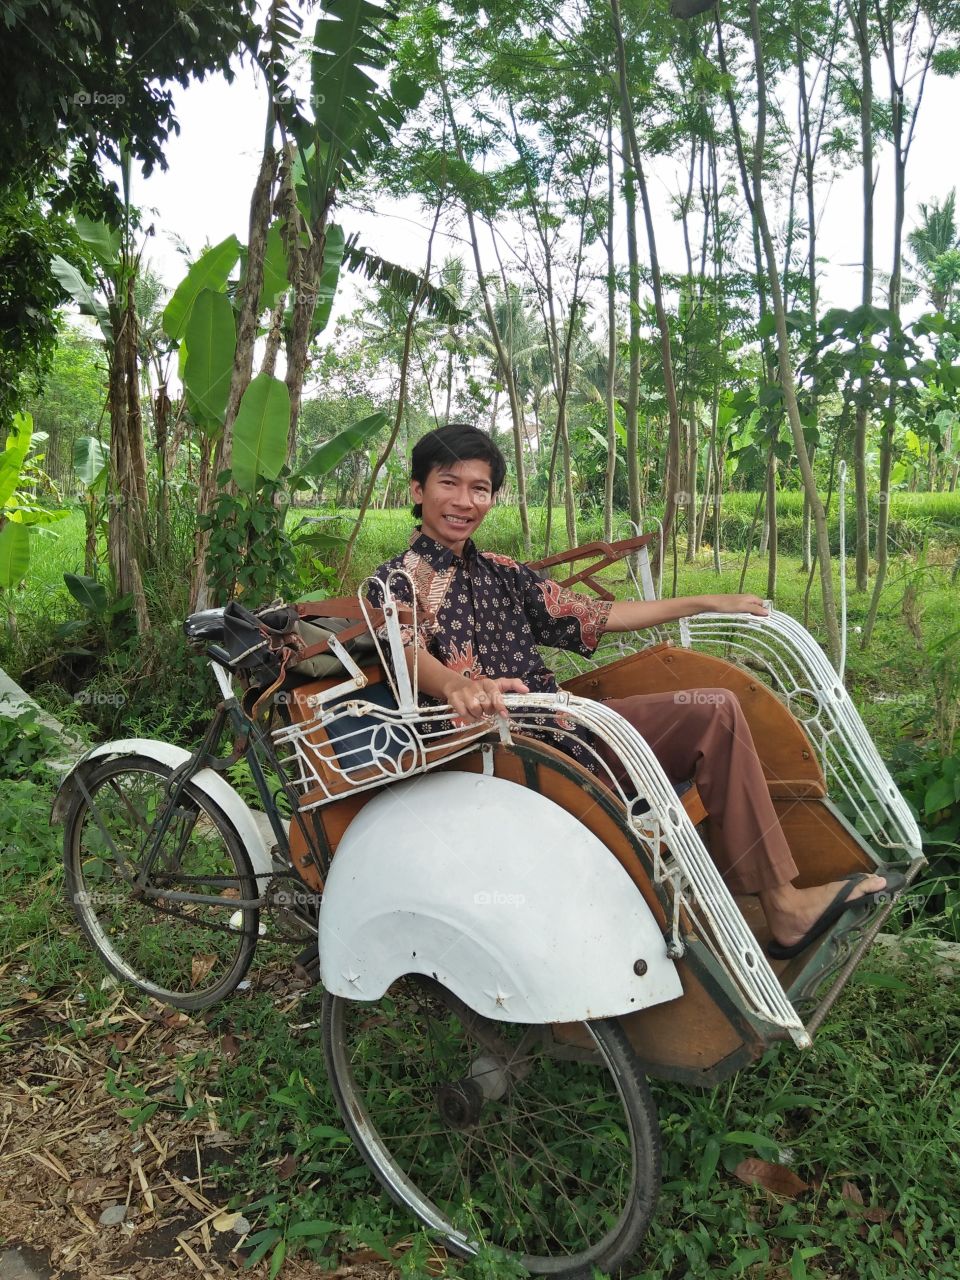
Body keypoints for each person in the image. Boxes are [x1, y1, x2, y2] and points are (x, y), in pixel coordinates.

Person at [369, 423, 902, 959]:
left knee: (713, 709)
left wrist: (706, 601)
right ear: (418, 489)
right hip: (499, 758)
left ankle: (780, 904)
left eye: (479, 488)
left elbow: (599, 615)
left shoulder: (504, 573)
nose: (464, 501)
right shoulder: (392, 583)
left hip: (569, 730)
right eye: (449, 483)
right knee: (696, 714)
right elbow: (405, 652)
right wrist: (459, 684)